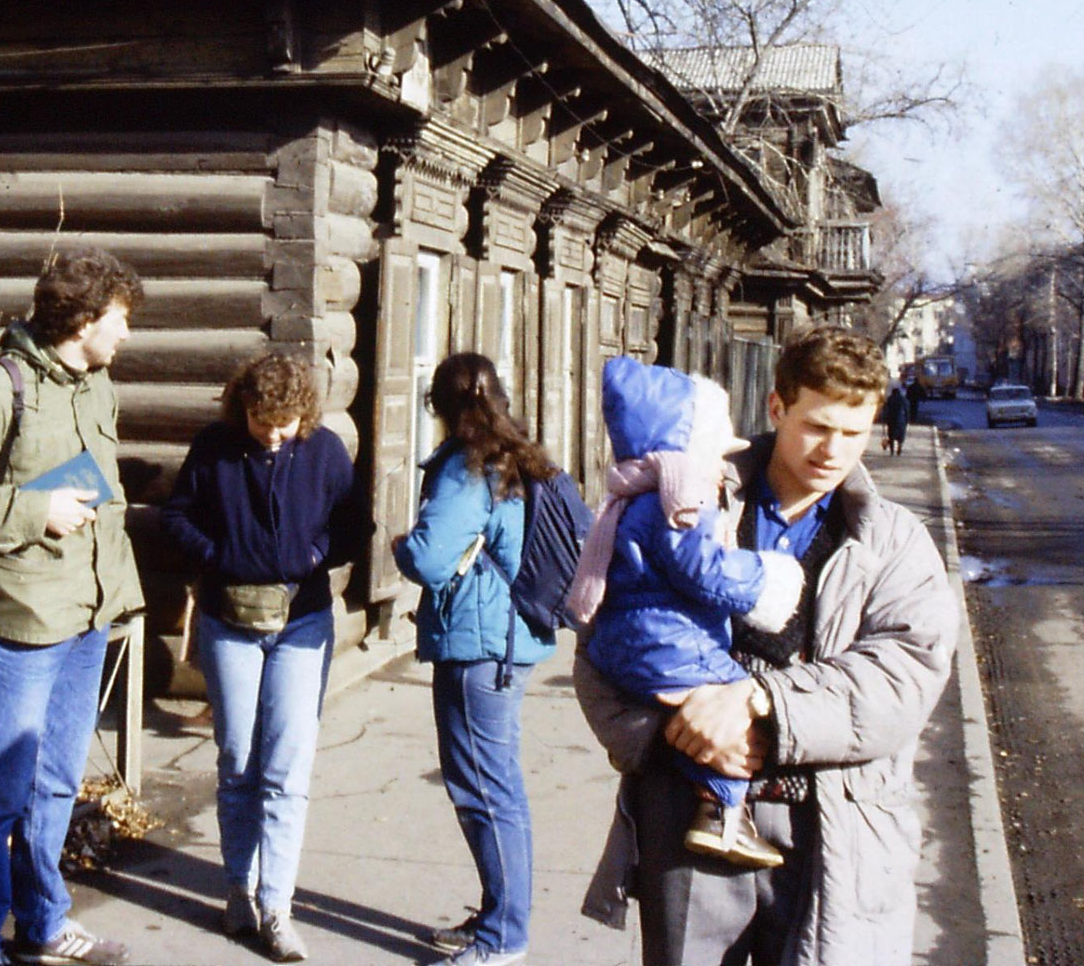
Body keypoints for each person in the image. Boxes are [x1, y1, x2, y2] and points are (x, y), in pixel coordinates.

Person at [573, 327, 957, 966]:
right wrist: (677, 729)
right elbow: (600, 652)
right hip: (686, 815)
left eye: (854, 432)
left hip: (833, 826)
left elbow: (903, 678)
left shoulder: (892, 541)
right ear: (777, 408)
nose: (835, 451)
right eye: (817, 427)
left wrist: (761, 703)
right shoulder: (684, 501)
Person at [0, 248, 146, 966]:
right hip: (20, 618)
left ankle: (43, 922)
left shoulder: (96, 384)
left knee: (55, 782)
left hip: (87, 613)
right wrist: (34, 508)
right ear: (82, 320)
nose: (127, 335)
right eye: (119, 319)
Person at [159, 354, 359, 964]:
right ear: (240, 407)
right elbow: (176, 515)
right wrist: (218, 555)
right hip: (229, 622)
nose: (272, 432)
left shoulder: (325, 452)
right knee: (238, 759)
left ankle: (279, 908)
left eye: (285, 421)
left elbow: (354, 524)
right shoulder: (214, 447)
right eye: (260, 419)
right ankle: (238, 891)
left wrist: (314, 555)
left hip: (302, 623)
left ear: (304, 413)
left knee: (286, 768)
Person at [576, 358, 805, 871]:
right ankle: (724, 814)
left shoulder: (632, 493)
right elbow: (703, 570)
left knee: (698, 708)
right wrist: (766, 579)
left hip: (626, 639)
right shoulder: (679, 496)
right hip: (668, 639)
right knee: (733, 696)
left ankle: (695, 788)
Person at [393, 353, 558, 966]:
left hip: (479, 640)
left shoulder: (468, 469)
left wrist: (402, 547)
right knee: (495, 784)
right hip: (506, 637)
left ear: (439, 405)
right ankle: (498, 914)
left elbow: (432, 560)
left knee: (485, 790)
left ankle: (503, 936)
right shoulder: (517, 455)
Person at [880, 382, 911, 457]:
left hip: (891, 420)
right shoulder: (903, 399)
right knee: (901, 435)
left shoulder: (890, 399)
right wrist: (907, 420)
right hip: (901, 420)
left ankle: (892, 451)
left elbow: (885, 409)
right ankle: (899, 446)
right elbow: (907, 410)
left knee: (891, 436)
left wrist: (884, 419)